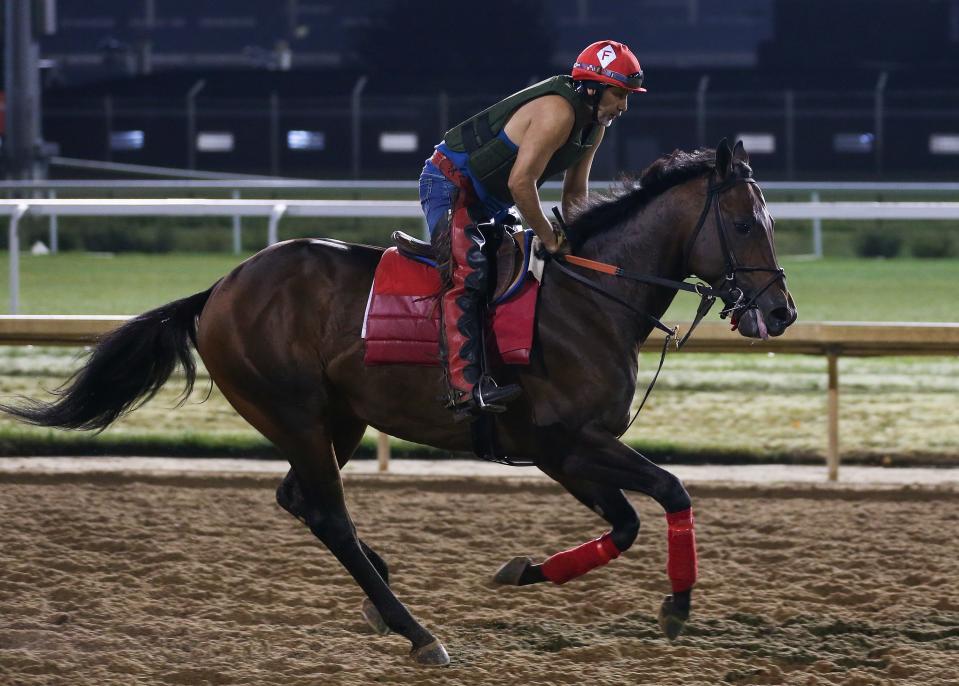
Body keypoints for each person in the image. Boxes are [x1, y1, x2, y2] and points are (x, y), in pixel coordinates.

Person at [419, 40, 646, 418]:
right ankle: (463, 389)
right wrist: (548, 235)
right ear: (591, 88)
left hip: (492, 200)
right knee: (468, 272)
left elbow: (575, 193)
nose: (624, 106)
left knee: (529, 274)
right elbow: (521, 184)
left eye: (628, 96)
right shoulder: (556, 112)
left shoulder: (594, 126)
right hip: (450, 186)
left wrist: (578, 243)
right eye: (619, 94)